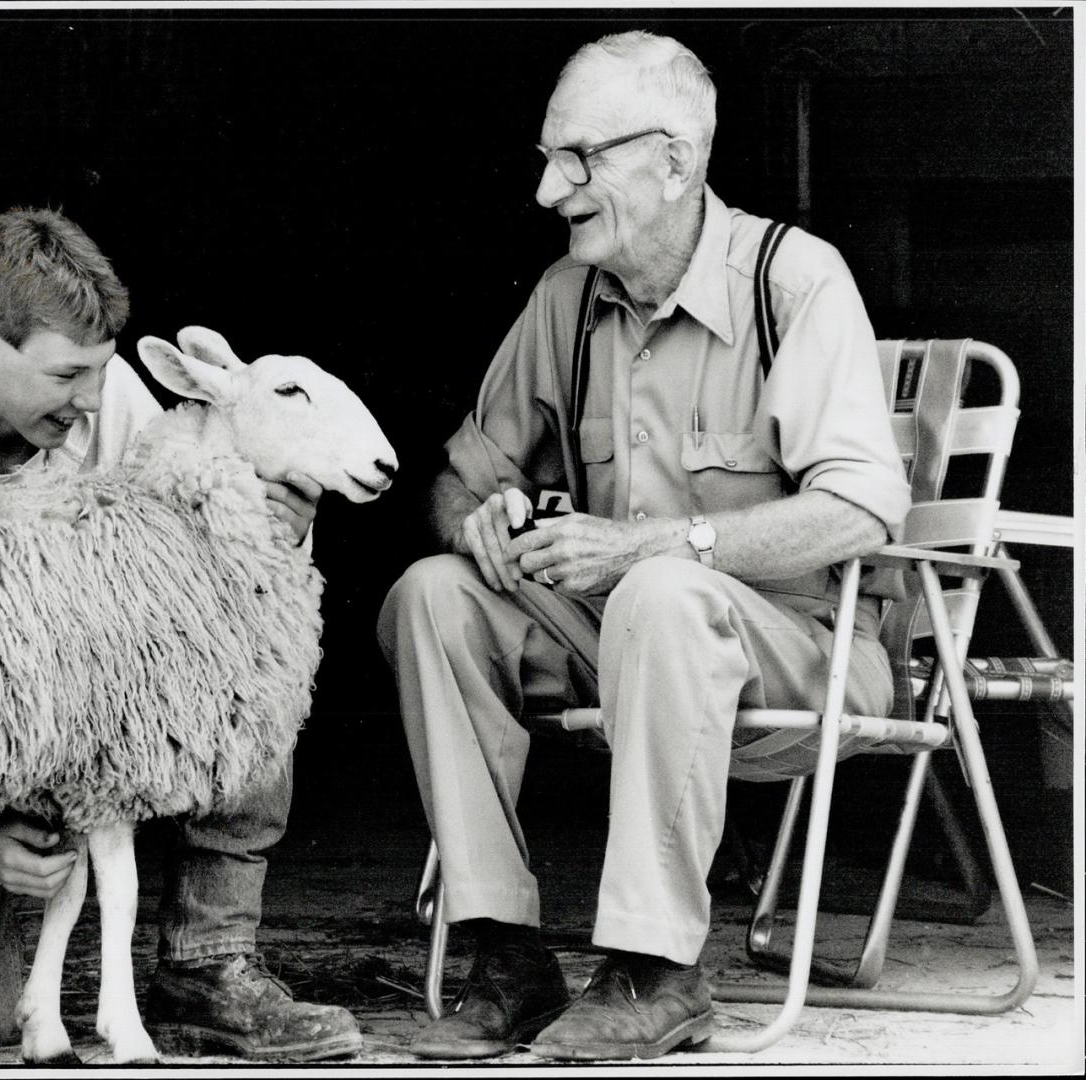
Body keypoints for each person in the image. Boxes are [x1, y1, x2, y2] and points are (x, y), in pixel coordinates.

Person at [376, 32, 911, 1062]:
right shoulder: (567, 302)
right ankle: (504, 951)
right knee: (430, 594)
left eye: (579, 159)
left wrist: (657, 545)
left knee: (665, 590)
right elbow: (458, 478)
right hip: (621, 639)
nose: (548, 190)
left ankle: (656, 970)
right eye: (547, 158)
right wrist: (473, 520)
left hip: (802, 649)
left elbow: (862, 507)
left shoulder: (793, 282)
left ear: (675, 159)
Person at [0, 206, 363, 1062]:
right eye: (63, 377)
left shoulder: (105, 396)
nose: (91, 399)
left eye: (101, 370)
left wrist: (282, 524)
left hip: (84, 736)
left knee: (248, 666)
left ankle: (210, 960)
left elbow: (205, 549)